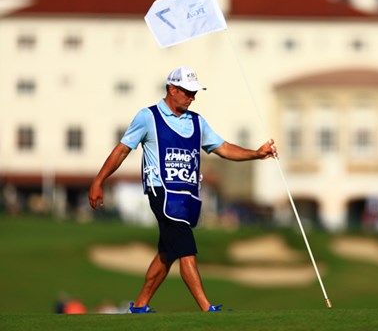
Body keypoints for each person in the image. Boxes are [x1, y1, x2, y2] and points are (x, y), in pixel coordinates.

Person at [88, 66, 277, 313]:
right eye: (188, 92)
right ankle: (206, 308)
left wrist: (256, 154)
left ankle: (140, 305)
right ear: (172, 89)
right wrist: (99, 180)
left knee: (168, 252)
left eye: (194, 93)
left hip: (187, 197)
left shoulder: (197, 121)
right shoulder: (148, 117)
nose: (192, 97)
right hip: (162, 192)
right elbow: (122, 150)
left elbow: (223, 148)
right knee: (187, 250)